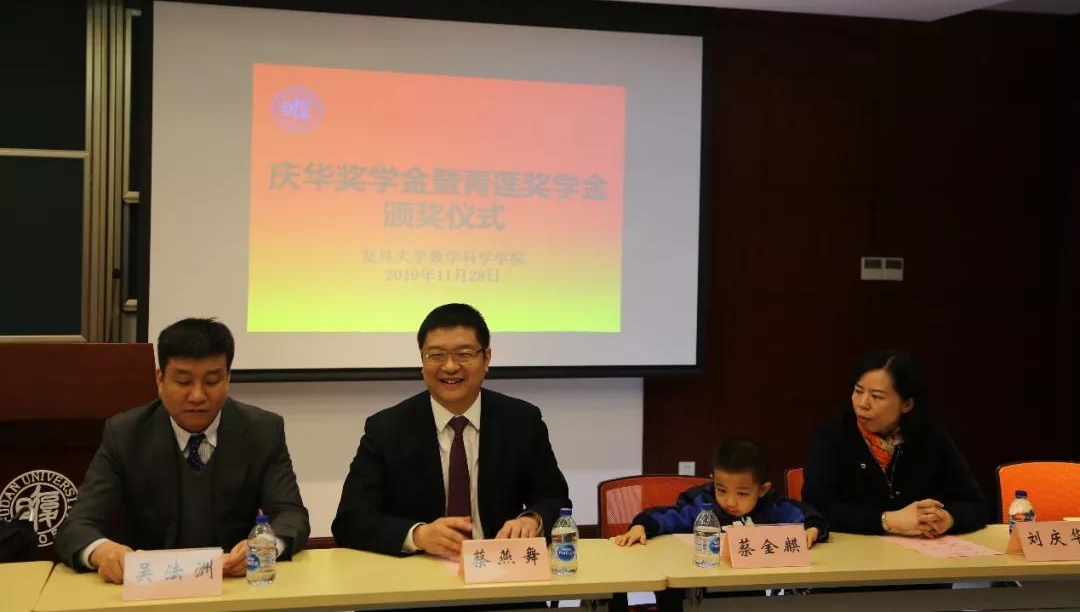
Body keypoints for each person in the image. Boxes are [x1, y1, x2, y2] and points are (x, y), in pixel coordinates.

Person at [54, 318, 310, 583]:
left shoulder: (262, 431)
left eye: (212, 381)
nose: (197, 396)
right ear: (160, 379)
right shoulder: (126, 434)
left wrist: (265, 545)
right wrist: (102, 551)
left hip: (232, 585)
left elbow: (291, 516)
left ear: (228, 379)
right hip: (150, 589)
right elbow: (77, 526)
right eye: (184, 382)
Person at [332, 303, 571, 557]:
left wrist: (533, 520)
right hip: (419, 570)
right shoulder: (387, 428)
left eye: (463, 354)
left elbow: (554, 499)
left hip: (500, 568)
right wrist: (418, 535)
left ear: (486, 358)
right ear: (422, 360)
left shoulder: (521, 421)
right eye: (435, 355)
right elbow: (350, 520)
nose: (449, 366)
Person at [803, 350, 987, 537]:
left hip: (919, 551)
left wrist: (947, 518)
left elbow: (977, 505)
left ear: (906, 404)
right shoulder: (832, 436)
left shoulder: (931, 438)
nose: (862, 403)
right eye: (858, 391)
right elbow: (816, 508)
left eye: (877, 396)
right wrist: (888, 520)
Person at [612, 438, 828, 547]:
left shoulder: (772, 506)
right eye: (721, 490)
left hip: (750, 588)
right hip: (703, 586)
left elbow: (807, 516)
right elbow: (663, 517)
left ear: (762, 490)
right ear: (713, 481)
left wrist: (813, 529)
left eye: (742, 494)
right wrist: (641, 526)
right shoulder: (702, 505)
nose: (730, 502)